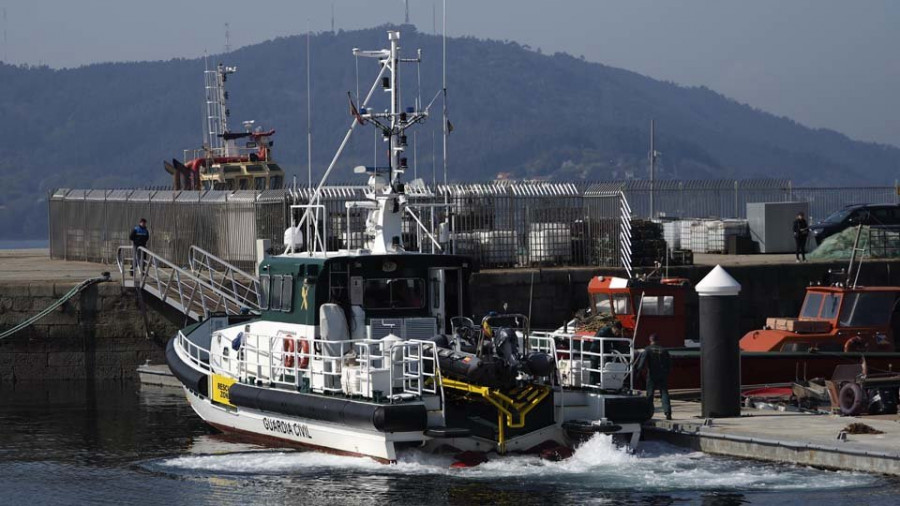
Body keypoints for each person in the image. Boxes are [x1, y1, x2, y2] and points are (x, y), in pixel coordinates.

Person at [635, 333, 672, 420]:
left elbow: (642, 363)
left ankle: (649, 413)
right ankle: (668, 412)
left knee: (650, 394)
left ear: (650, 340)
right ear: (658, 340)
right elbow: (669, 364)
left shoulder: (647, 350)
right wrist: (666, 373)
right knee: (664, 393)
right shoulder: (664, 350)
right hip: (662, 374)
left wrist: (637, 372)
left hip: (651, 375)